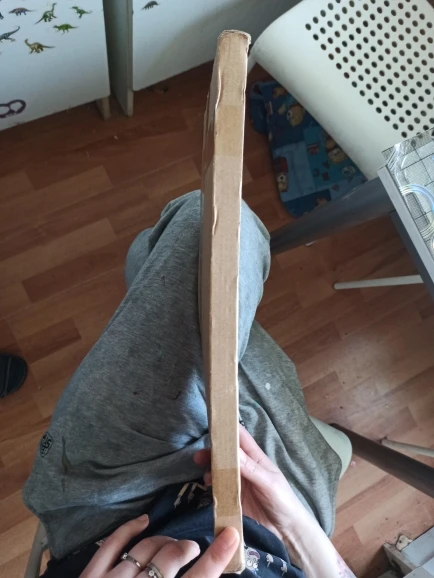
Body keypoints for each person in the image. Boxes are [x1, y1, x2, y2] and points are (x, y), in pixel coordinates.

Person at [23, 191, 355, 577]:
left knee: (196, 236)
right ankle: (143, 261)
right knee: (217, 228)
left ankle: (143, 260)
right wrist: (299, 533)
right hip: (290, 531)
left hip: (110, 518)